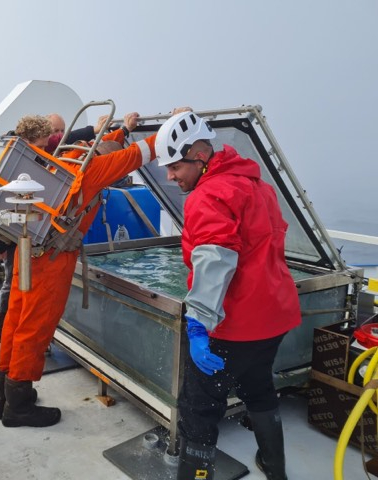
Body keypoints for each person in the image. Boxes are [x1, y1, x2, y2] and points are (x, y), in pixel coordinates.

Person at [154, 110, 301, 480]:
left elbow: (214, 260)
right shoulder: (258, 185)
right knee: (259, 387)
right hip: (274, 319)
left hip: (232, 328)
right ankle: (274, 467)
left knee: (199, 409)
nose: (170, 177)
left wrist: (200, 327)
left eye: (175, 167)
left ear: (200, 157)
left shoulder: (207, 196)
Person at [0, 112, 158, 428]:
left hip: (27, 249)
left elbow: (105, 146)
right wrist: (178, 126)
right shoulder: (91, 169)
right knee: (34, 328)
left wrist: (122, 130)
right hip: (51, 260)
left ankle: (5, 399)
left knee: (16, 321)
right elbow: (138, 154)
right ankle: (19, 406)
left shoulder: (64, 160)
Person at [0, 115, 53, 366]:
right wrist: (0, 246)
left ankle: (2, 331)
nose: (44, 151)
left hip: (14, 235)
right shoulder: (8, 156)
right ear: (27, 140)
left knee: (12, 286)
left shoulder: (25, 153)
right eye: (42, 145)